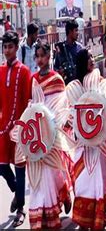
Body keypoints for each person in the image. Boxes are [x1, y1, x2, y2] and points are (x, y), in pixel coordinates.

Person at [30, 42, 72, 229]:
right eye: (37, 56)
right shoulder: (32, 80)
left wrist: (52, 125)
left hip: (53, 133)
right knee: (42, 175)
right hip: (37, 136)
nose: (40, 59)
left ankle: (62, 195)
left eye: (43, 56)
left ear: (49, 57)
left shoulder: (56, 80)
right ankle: (44, 214)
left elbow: (61, 106)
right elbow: (30, 106)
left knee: (56, 171)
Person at [71, 48, 106, 229]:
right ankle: (84, 218)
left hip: (100, 143)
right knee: (83, 182)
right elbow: (70, 115)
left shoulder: (102, 83)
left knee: (101, 180)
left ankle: (100, 217)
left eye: (91, 57)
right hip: (82, 144)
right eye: (87, 58)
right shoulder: (74, 88)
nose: (92, 60)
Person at [0, 31, 32, 227]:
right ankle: (16, 192)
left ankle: (21, 208)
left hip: (20, 128)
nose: (7, 50)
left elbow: (28, 99)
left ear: (16, 48)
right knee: (2, 166)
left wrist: (25, 125)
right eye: (4, 47)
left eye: (10, 47)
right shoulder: (1, 71)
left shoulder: (24, 71)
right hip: (3, 128)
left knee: (20, 169)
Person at [53, 20, 83, 84]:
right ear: (70, 31)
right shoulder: (60, 49)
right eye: (76, 30)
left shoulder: (79, 48)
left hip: (79, 84)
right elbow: (56, 68)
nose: (78, 33)